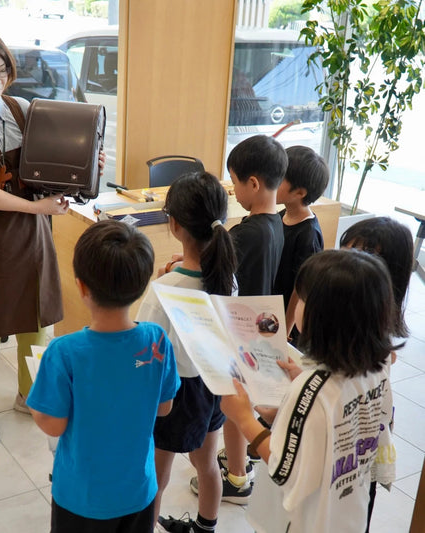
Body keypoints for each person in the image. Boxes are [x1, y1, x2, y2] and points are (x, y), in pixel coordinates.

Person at [0, 25, 102, 445]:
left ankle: (31, 394)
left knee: (37, 320)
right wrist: (36, 207)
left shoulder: (22, 108)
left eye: (2, 72)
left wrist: (87, 160)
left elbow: (53, 163)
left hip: (33, 233)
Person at [221, 249, 396, 532]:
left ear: (323, 316)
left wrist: (243, 419)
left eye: (302, 298)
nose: (296, 303)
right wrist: (289, 409)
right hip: (349, 511)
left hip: (305, 522)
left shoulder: (311, 390)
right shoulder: (376, 370)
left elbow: (282, 468)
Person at [26, 220, 179, 533]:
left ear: (82, 287)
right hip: (138, 490)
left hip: (82, 497)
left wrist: (35, 400)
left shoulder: (64, 352)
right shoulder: (156, 340)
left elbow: (52, 424)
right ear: (142, 285)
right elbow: (164, 408)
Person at [136, 171, 237, 533]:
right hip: (213, 382)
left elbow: (144, 346)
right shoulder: (227, 276)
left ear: (174, 224)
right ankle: (206, 527)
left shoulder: (163, 288)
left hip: (175, 392)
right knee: (207, 463)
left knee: (157, 477)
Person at [205, 134, 287, 503]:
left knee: (234, 407)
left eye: (235, 181)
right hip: (260, 329)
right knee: (242, 403)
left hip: (239, 329)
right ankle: (239, 467)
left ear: (253, 183)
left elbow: (214, 271)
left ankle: (237, 477)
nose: (233, 189)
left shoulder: (244, 234)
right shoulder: (276, 225)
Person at [340, 216, 414, 532]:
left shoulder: (365, 326)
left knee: (353, 509)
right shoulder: (368, 313)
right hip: (354, 443)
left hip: (354, 447)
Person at [273, 145, 329, 345]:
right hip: (271, 313)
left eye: (279, 179)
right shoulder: (280, 216)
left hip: (287, 324)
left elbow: (301, 288)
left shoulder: (308, 235)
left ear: (299, 192)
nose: (272, 182)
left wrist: (286, 329)